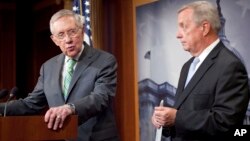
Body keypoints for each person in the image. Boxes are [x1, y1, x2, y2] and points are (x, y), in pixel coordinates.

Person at [0, 9, 119, 141]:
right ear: (54, 39)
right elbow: (32, 104)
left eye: (72, 32)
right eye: (61, 35)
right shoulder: (48, 67)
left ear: (82, 30)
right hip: (62, 137)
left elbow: (101, 97)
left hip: (96, 138)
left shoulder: (104, 60)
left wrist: (70, 108)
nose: (68, 40)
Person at [152, 1, 249, 140]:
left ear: (204, 28)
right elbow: (183, 116)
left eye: (183, 27)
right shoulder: (187, 67)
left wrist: (176, 117)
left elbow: (227, 124)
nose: (178, 35)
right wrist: (165, 121)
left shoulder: (230, 65)